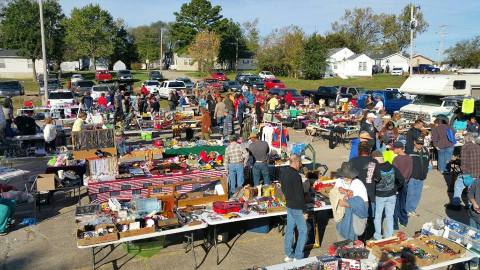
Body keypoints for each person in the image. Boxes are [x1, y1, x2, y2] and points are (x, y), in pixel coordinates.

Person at [279, 155, 308, 261]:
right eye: (300, 163)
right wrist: (304, 211)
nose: (300, 165)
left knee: (289, 230)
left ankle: (288, 254)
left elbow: (282, 187)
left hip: (289, 205)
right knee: (303, 231)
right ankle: (298, 256)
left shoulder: (283, 172)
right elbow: (300, 195)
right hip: (297, 206)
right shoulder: (296, 175)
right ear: (296, 162)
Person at [371, 151, 405, 240]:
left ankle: (378, 236)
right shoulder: (392, 167)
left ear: (375, 158)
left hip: (380, 196)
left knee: (378, 217)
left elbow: (372, 182)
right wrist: (396, 188)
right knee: (390, 216)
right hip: (391, 195)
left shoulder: (376, 168)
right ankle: (389, 235)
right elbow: (401, 179)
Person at [333, 162, 369, 241]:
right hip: (342, 212)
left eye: (348, 177)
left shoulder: (358, 184)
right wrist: (338, 191)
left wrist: (347, 203)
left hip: (355, 212)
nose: (346, 178)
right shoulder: (339, 181)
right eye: (344, 176)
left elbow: (362, 204)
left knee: (354, 232)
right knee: (341, 230)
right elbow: (334, 192)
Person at [446, 133, 480, 211]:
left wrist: (463, 171)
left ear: (466, 139)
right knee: (472, 190)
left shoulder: (465, 147)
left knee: (458, 186)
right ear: (472, 139)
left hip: (468, 173)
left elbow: (463, 162)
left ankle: (456, 205)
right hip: (477, 173)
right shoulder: (478, 147)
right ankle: (470, 206)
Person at [349, 143, 378, 214]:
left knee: (357, 216)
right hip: (370, 191)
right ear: (369, 151)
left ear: (359, 150)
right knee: (371, 216)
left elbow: (348, 177)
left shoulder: (353, 161)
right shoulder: (374, 161)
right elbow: (378, 177)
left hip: (357, 192)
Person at [406, 137, 430, 216]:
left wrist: (426, 172)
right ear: (414, 142)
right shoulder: (410, 151)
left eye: (421, 143)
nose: (420, 145)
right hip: (412, 177)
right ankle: (407, 210)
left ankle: (412, 209)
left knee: (417, 195)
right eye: (418, 143)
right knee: (410, 194)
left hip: (421, 177)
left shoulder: (426, 151)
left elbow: (427, 163)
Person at [392, 141, 412, 229]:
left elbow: (393, 172)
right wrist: (406, 180)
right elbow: (409, 171)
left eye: (394, 148)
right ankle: (404, 220)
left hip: (396, 184)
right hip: (405, 183)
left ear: (399, 149)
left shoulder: (396, 159)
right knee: (403, 202)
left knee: (395, 204)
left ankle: (395, 224)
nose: (393, 150)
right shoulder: (409, 158)